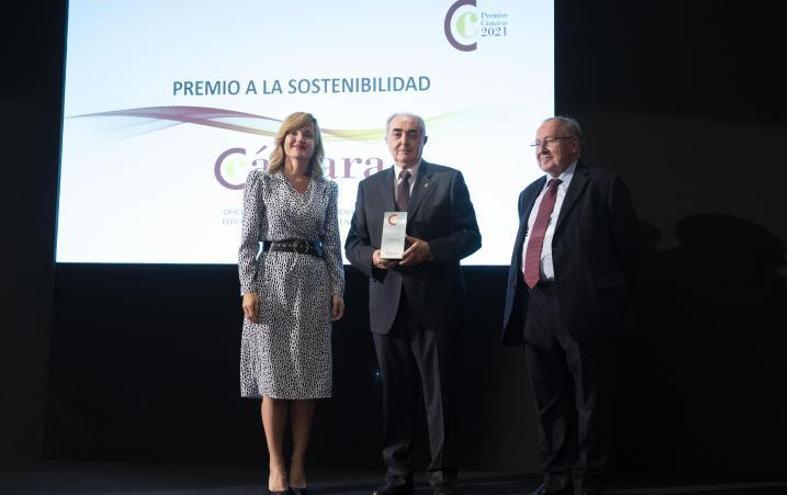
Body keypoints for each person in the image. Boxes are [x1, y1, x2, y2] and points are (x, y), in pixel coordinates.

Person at [502, 117, 640, 495]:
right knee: (548, 399)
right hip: (535, 305)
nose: (542, 149)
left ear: (576, 145)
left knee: (590, 399)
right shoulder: (530, 192)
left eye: (551, 141)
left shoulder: (603, 185)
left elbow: (628, 251)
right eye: (537, 144)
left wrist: (610, 303)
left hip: (585, 307)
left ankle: (590, 478)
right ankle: (556, 476)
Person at [345, 113, 481, 495]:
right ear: (386, 139)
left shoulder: (448, 179)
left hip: (436, 308)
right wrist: (370, 258)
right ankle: (398, 476)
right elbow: (352, 243)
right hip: (387, 308)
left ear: (425, 140)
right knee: (394, 398)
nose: (405, 141)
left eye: (413, 134)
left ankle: (441, 478)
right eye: (398, 134)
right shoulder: (369, 186)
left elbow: (471, 236)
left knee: (440, 398)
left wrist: (430, 250)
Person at [238, 112, 345, 495]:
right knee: (274, 379)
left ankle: (300, 461)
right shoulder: (261, 182)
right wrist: (248, 287)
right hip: (272, 282)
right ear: (283, 140)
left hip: (314, 282)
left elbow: (332, 243)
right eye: (294, 133)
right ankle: (276, 463)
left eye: (309, 135)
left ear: (316, 144)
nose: (301, 139)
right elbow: (249, 240)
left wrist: (338, 287)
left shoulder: (327, 188)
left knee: (307, 380)